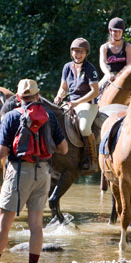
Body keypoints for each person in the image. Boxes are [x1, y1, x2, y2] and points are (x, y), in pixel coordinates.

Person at [0, 79, 68, 263]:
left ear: (17, 97)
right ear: (37, 96)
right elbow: (64, 149)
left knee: (3, 223)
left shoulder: (10, 116)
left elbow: (0, 153)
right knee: (36, 224)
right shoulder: (50, 116)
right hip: (43, 173)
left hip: (18, 173)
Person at [53, 38, 99, 171]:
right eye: (75, 51)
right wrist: (58, 96)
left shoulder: (90, 68)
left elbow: (95, 91)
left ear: (86, 53)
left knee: (84, 128)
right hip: (71, 102)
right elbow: (63, 87)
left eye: (81, 52)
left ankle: (90, 158)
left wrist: (77, 102)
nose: (78, 54)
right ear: (71, 52)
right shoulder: (67, 67)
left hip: (88, 104)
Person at [98, 17, 131, 89]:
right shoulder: (104, 47)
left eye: (119, 31)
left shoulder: (128, 47)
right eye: (115, 31)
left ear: (122, 32)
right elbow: (102, 63)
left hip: (124, 76)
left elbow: (129, 65)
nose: (117, 34)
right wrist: (108, 74)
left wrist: (121, 76)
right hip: (109, 76)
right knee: (95, 91)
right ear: (110, 31)